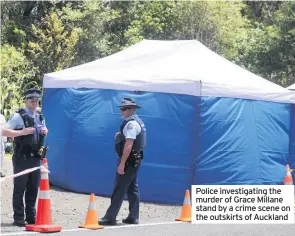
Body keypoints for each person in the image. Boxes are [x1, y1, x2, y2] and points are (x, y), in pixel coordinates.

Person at [99, 97, 147, 225]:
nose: (121, 111)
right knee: (132, 188)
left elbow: (128, 145)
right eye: (121, 108)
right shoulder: (136, 122)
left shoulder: (131, 124)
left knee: (119, 188)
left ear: (131, 109)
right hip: (134, 160)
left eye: (124, 108)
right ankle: (133, 216)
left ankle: (110, 217)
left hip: (128, 160)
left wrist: (122, 163)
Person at [7, 88, 48, 227]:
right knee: (20, 188)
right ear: (26, 100)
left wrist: (45, 131)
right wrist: (22, 132)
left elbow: (43, 130)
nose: (34, 103)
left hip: (36, 158)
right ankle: (18, 217)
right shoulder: (19, 116)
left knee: (33, 188)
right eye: (32, 101)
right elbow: (4, 131)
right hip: (22, 158)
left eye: (36, 101)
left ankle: (31, 216)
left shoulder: (40, 116)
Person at [0, 107, 35, 177]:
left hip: (2, 142)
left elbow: (5, 131)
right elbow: (4, 131)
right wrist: (22, 132)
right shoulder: (17, 116)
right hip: (20, 155)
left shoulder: (1, 117)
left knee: (1, 156)